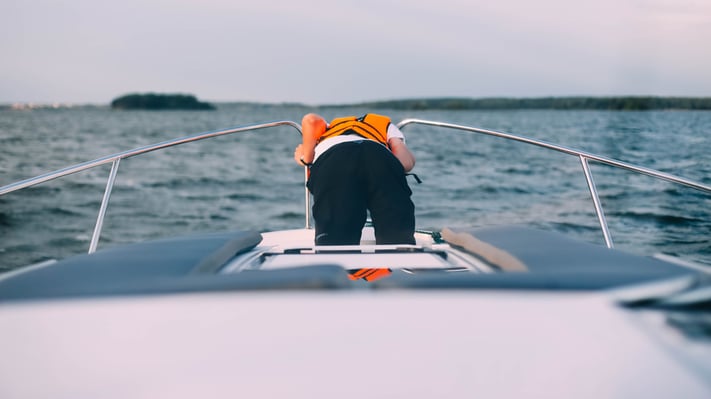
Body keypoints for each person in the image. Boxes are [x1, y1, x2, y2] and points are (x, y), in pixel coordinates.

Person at [293, 113, 416, 245]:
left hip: (336, 159)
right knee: (397, 236)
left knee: (334, 242)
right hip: (378, 155)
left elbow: (310, 120)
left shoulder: (329, 128)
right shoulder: (385, 125)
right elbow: (405, 163)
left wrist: (305, 156)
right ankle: (398, 252)